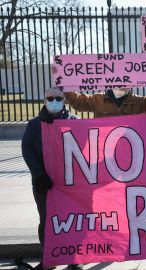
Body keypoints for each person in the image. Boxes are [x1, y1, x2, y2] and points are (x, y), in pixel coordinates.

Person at [21, 87, 82, 270]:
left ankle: (74, 259)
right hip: (43, 183)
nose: (54, 101)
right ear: (44, 99)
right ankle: (49, 258)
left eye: (58, 98)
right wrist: (38, 174)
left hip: (70, 183)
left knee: (73, 220)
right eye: (50, 98)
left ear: (64, 100)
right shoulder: (34, 125)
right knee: (46, 221)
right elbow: (27, 151)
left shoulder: (75, 122)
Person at [64, 85, 146, 117]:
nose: (122, 84)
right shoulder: (98, 99)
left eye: (126, 80)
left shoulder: (137, 101)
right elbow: (78, 102)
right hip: (104, 146)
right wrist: (64, 83)